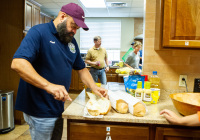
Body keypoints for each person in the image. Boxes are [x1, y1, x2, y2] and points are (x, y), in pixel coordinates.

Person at [11, 3, 108, 140]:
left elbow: (81, 69)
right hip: (39, 108)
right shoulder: (38, 32)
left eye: (77, 28)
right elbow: (18, 63)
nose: (74, 31)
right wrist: (48, 86)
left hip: (57, 107)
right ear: (63, 16)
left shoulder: (71, 42)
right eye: (73, 26)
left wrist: (94, 88)